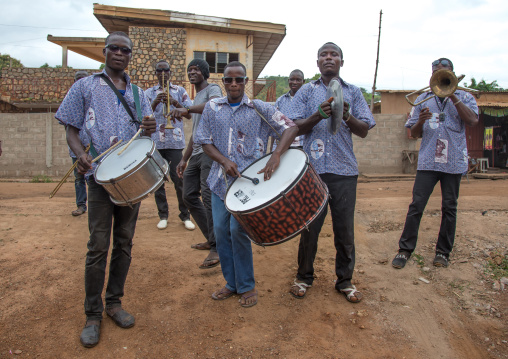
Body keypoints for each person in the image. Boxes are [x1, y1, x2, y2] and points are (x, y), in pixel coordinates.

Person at [55, 31, 156, 348]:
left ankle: (114, 303)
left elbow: (145, 134)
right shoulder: (84, 86)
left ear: (129, 56)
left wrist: (150, 127)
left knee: (124, 243)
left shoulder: (139, 94)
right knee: (98, 245)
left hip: (130, 180)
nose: (119, 53)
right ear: (104, 51)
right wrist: (81, 154)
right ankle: (92, 315)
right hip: (98, 179)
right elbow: (71, 128)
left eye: (125, 50)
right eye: (114, 47)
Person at [194, 61, 299, 308]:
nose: (233, 84)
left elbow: (290, 128)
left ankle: (247, 285)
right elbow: (203, 141)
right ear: (223, 82)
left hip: (248, 186)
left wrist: (276, 155)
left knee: (236, 231)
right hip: (220, 182)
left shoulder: (260, 108)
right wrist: (223, 160)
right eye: (229, 80)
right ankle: (231, 283)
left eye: (238, 80)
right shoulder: (212, 108)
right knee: (220, 231)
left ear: (245, 82)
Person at [287, 42, 376, 303]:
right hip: (312, 172)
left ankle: (345, 281)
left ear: (341, 61)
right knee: (309, 229)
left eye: (333, 54)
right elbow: (294, 127)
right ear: (317, 63)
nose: (329, 58)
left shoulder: (354, 92)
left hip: (344, 172)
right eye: (323, 55)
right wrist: (317, 116)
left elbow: (363, 130)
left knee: (344, 230)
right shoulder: (305, 91)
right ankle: (303, 277)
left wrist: (346, 116)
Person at [392, 58, 479, 269]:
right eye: (435, 71)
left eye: (443, 70)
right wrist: (420, 120)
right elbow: (413, 133)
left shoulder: (465, 97)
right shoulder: (422, 99)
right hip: (428, 162)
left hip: (453, 162)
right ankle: (405, 250)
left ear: (452, 73)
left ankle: (443, 253)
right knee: (416, 206)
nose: (438, 73)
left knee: (449, 208)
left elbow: (473, 121)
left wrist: (453, 97)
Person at [172, 59, 222, 269]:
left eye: (196, 70)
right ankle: (211, 239)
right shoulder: (195, 99)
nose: (192, 73)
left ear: (204, 72)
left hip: (212, 151)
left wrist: (187, 109)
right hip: (198, 152)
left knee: (208, 196)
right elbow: (196, 133)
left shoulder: (213, 89)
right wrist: (184, 158)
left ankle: (217, 248)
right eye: (189, 70)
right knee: (188, 195)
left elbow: (214, 106)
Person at [144, 60, 195, 231]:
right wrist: (155, 103)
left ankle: (185, 215)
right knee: (158, 181)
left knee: (178, 179)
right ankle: (163, 215)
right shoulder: (148, 93)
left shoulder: (179, 91)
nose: (163, 73)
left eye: (166, 70)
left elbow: (189, 114)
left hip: (174, 142)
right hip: (156, 142)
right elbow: (143, 116)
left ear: (170, 73)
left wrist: (174, 102)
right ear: (156, 73)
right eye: (160, 71)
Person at [69, 70, 90, 216]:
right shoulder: (70, 101)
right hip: (76, 150)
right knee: (79, 178)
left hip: (93, 149)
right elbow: (68, 127)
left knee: (95, 178)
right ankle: (81, 205)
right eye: (77, 79)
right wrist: (79, 148)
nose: (79, 82)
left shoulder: (94, 99)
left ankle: (98, 207)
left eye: (82, 79)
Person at [273, 69, 305, 149]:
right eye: (292, 79)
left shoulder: (307, 101)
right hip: (282, 145)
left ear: (303, 82)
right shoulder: (280, 101)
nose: (294, 82)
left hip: (301, 145)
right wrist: (271, 149)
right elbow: (274, 125)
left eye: (298, 80)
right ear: (288, 80)